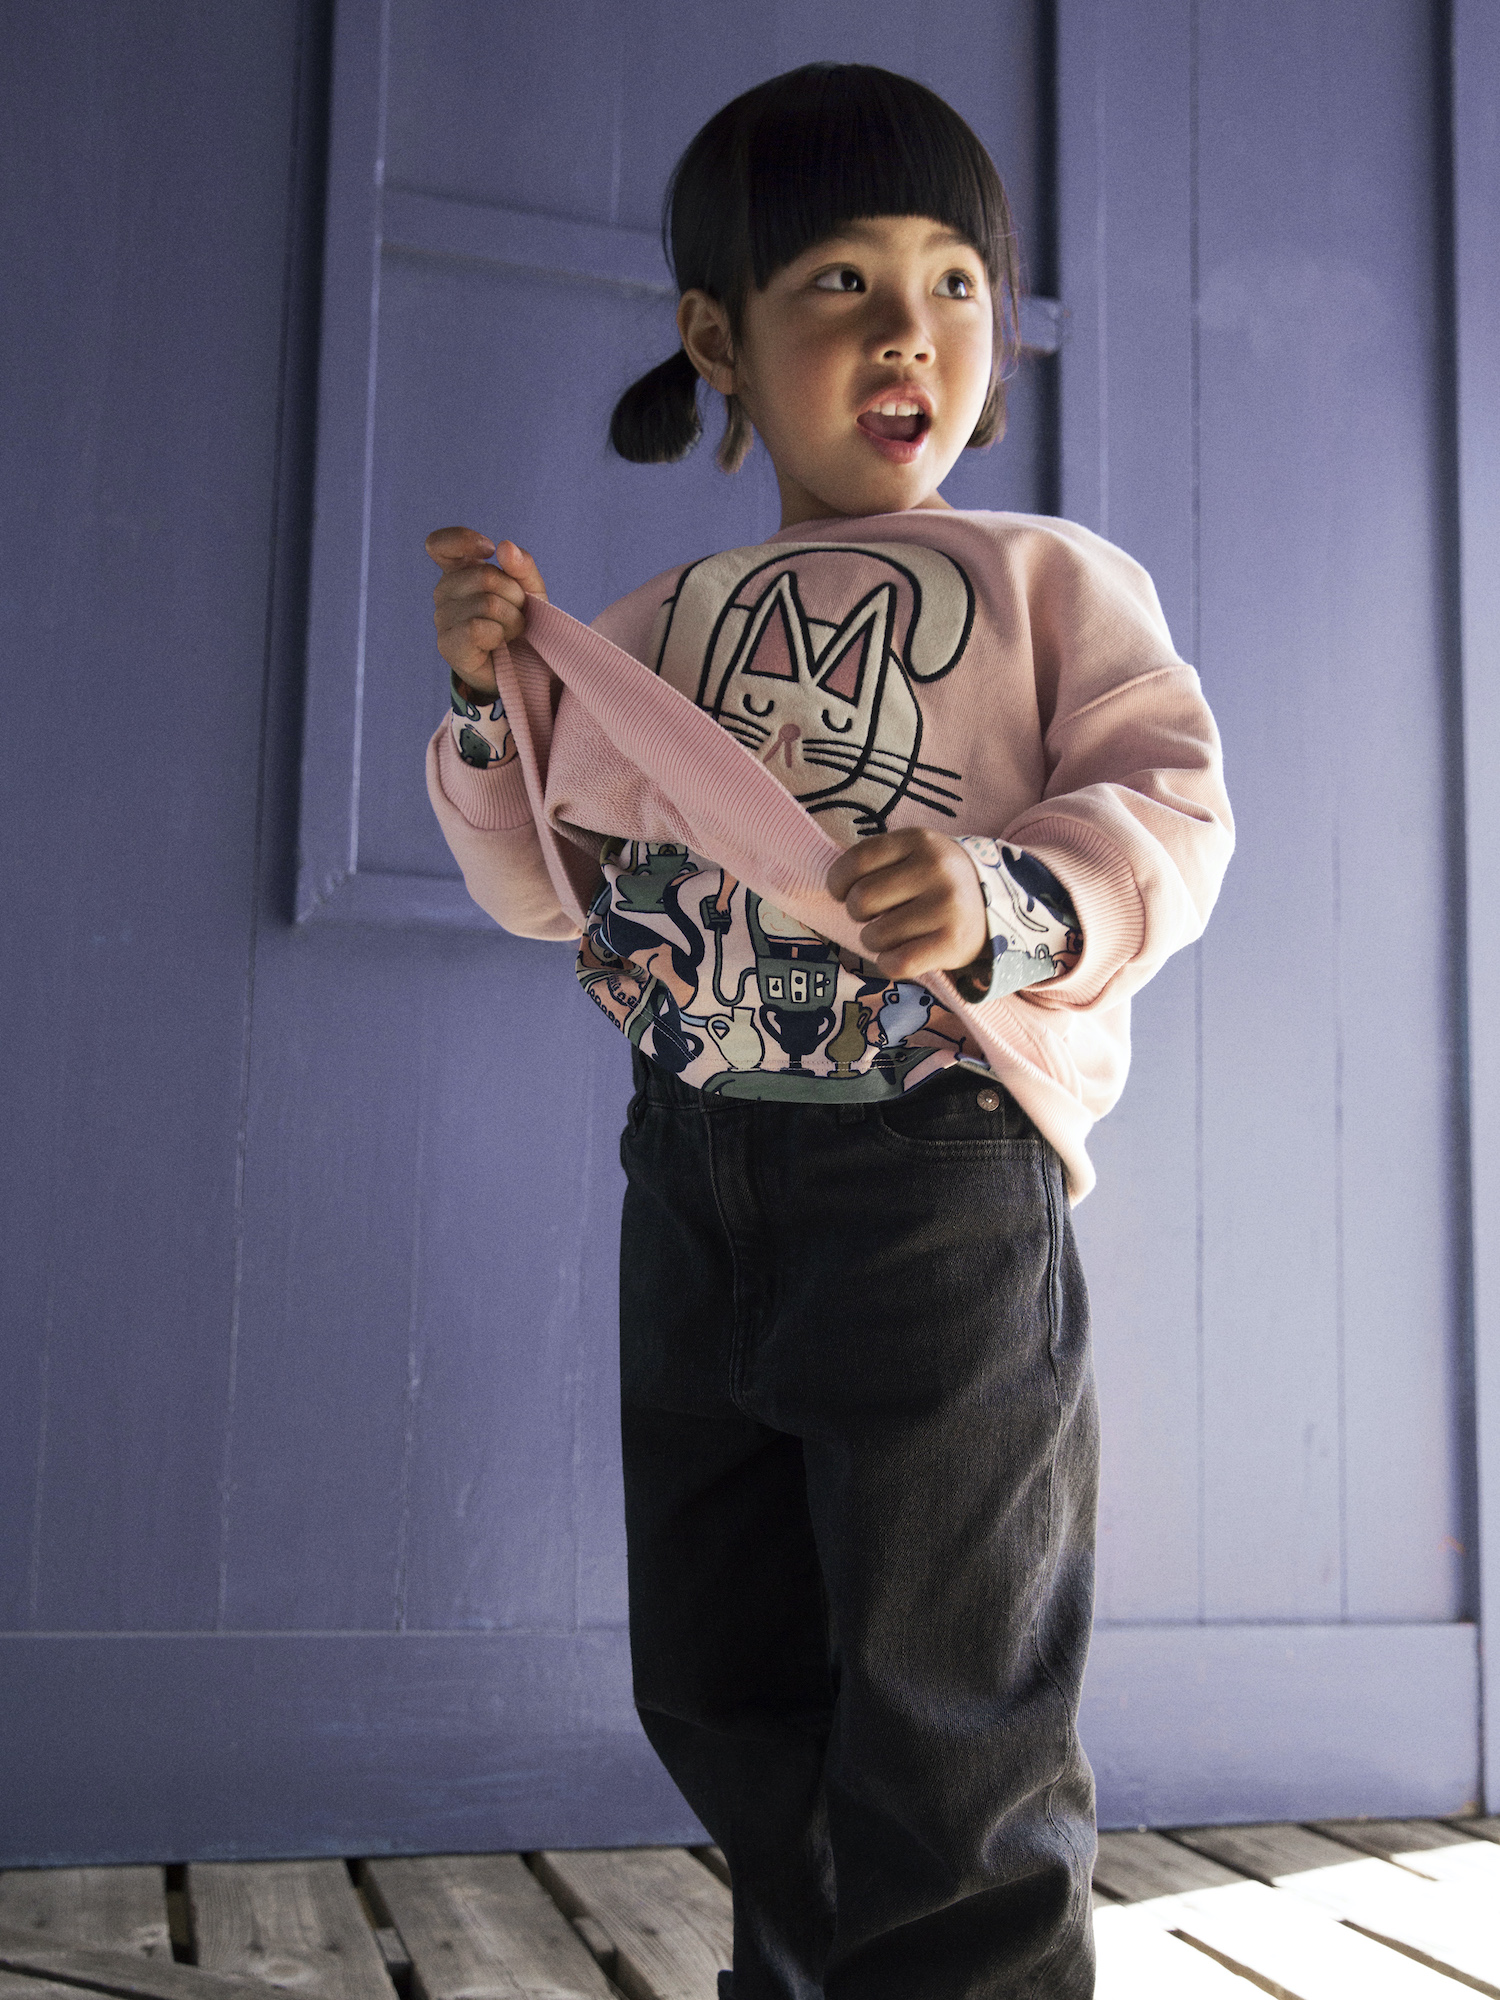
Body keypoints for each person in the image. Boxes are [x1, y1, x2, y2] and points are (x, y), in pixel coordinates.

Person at [423, 64, 1232, 2000]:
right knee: (722, 1675)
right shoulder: (655, 624)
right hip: (692, 1173)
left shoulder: (1047, 582)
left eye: (955, 284)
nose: (909, 332)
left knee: (951, 1694)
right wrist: (489, 707)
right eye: (842, 284)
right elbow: (544, 887)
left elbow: (1172, 812)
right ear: (718, 341)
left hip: (934, 1176)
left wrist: (1007, 898)